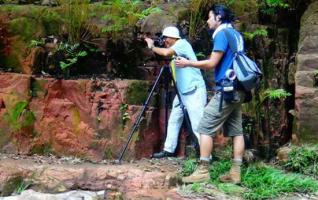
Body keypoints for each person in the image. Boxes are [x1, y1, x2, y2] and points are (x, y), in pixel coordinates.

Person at [175, 4, 245, 184]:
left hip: (227, 90)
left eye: (209, 17)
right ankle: (235, 173)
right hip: (240, 88)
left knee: (204, 127)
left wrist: (188, 63)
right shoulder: (236, 34)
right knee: (237, 131)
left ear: (219, 18)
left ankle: (203, 171)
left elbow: (213, 63)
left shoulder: (222, 34)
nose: (207, 20)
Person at [144, 26, 207, 158]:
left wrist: (152, 46)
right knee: (174, 119)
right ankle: (168, 149)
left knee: (197, 124)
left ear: (173, 37)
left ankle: (207, 157)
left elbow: (166, 53)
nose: (165, 41)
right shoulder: (176, 50)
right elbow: (166, 55)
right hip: (182, 91)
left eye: (166, 38)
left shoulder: (182, 44)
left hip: (193, 90)